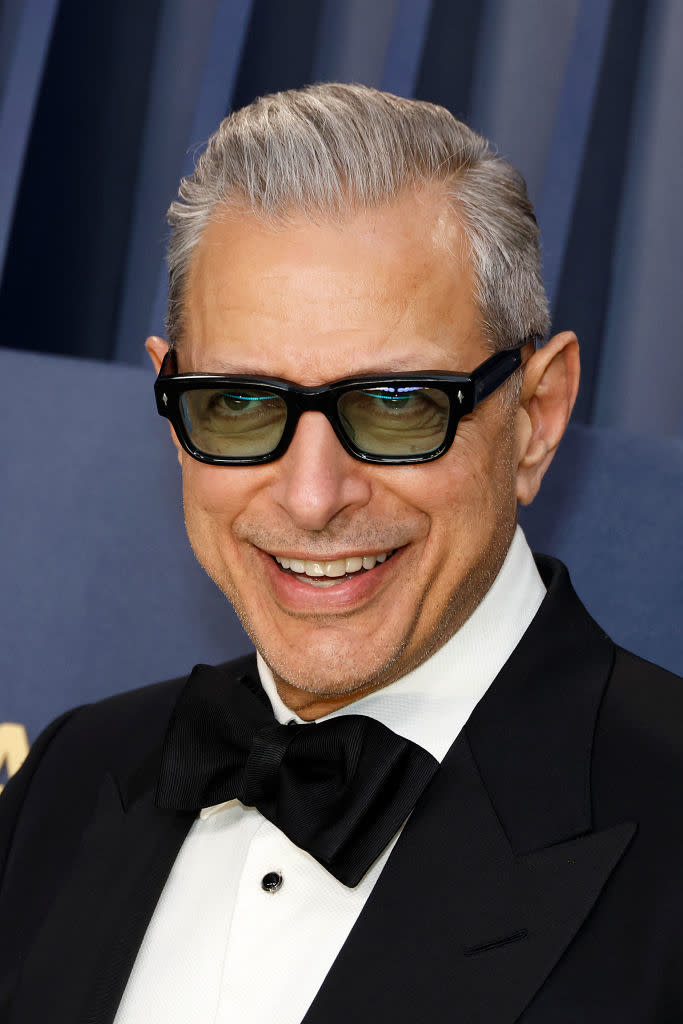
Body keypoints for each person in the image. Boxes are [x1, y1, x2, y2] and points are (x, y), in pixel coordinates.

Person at [1, 83, 681, 1024]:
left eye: (396, 402)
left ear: (535, 416)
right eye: (239, 404)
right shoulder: (71, 781)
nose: (313, 497)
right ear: (172, 406)